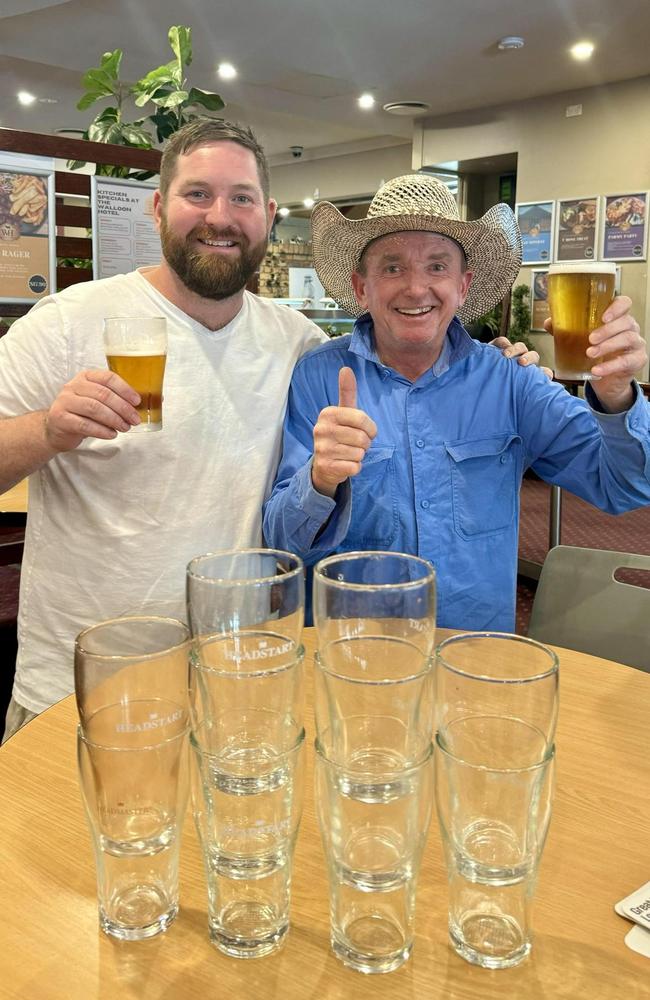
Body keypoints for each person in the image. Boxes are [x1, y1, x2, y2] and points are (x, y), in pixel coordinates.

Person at [0, 125, 544, 737]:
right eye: (197, 194)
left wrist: (496, 366)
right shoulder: (68, 324)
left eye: (241, 198)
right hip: (88, 678)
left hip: (240, 673)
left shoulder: (299, 346)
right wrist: (47, 429)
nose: (220, 217)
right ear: (158, 207)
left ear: (267, 215)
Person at [263, 173, 650, 630]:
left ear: (463, 286)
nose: (415, 288)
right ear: (361, 287)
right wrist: (320, 479)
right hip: (351, 652)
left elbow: (624, 486)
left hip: (474, 652)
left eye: (437, 266)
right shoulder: (319, 377)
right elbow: (281, 544)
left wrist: (617, 394)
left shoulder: (510, 379)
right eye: (392, 267)